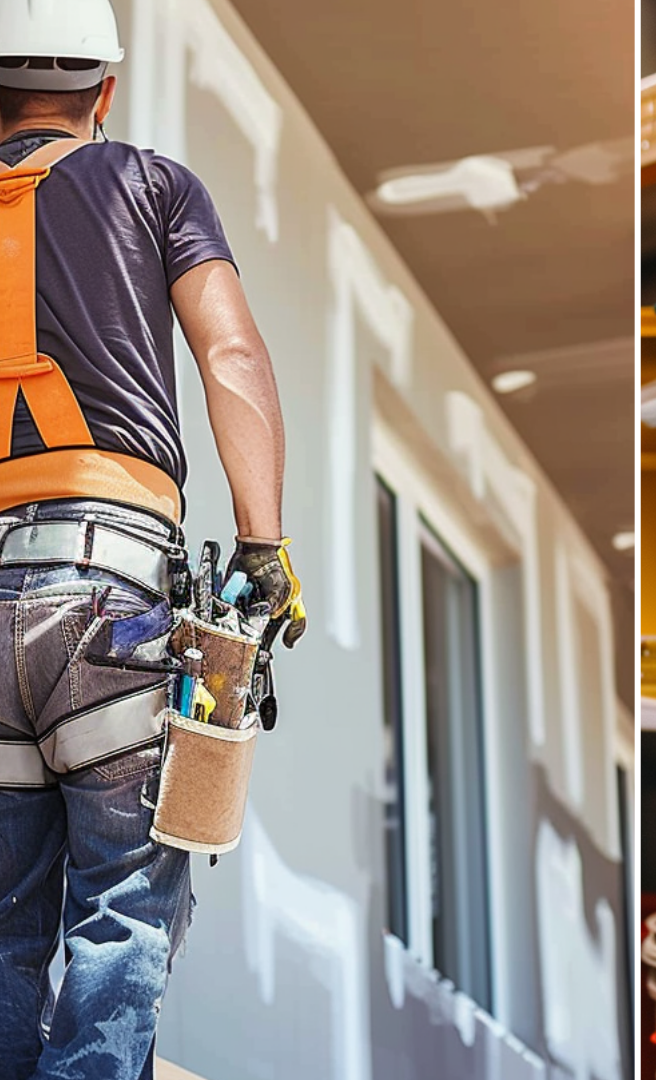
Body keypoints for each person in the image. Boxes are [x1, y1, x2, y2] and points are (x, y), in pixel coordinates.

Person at [0, 2, 305, 1076]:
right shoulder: (152, 182)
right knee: (123, 914)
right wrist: (261, 547)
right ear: (105, 92)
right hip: (111, 589)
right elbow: (231, 357)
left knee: (3, 934)